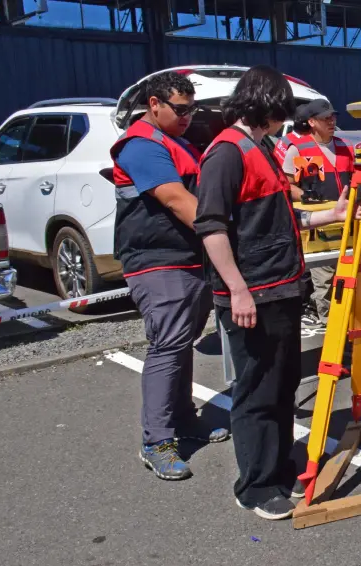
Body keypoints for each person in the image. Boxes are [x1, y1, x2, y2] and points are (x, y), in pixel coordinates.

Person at [194, 65, 349, 520]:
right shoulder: (226, 153)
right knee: (257, 389)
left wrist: (331, 213)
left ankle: (278, 466)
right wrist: (237, 290)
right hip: (253, 292)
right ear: (269, 104)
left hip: (280, 289)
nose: (289, 118)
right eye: (285, 108)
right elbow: (211, 227)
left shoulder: (261, 149)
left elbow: (283, 219)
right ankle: (255, 485)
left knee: (282, 386)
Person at [111, 71, 229, 481]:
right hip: (157, 260)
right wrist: (226, 232)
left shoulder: (175, 142)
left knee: (181, 342)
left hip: (185, 257)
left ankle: (182, 419)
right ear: (154, 104)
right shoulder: (141, 145)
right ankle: (157, 441)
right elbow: (178, 200)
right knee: (167, 344)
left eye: (191, 109)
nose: (188, 116)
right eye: (180, 109)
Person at [272, 99, 354, 328]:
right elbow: (288, 184)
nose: (332, 121)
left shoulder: (344, 146)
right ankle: (333, 328)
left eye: (333, 116)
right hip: (318, 228)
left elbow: (355, 180)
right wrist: (305, 196)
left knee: (349, 275)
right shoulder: (301, 149)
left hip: (347, 225)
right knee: (325, 280)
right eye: (326, 118)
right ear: (311, 122)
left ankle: (351, 323)